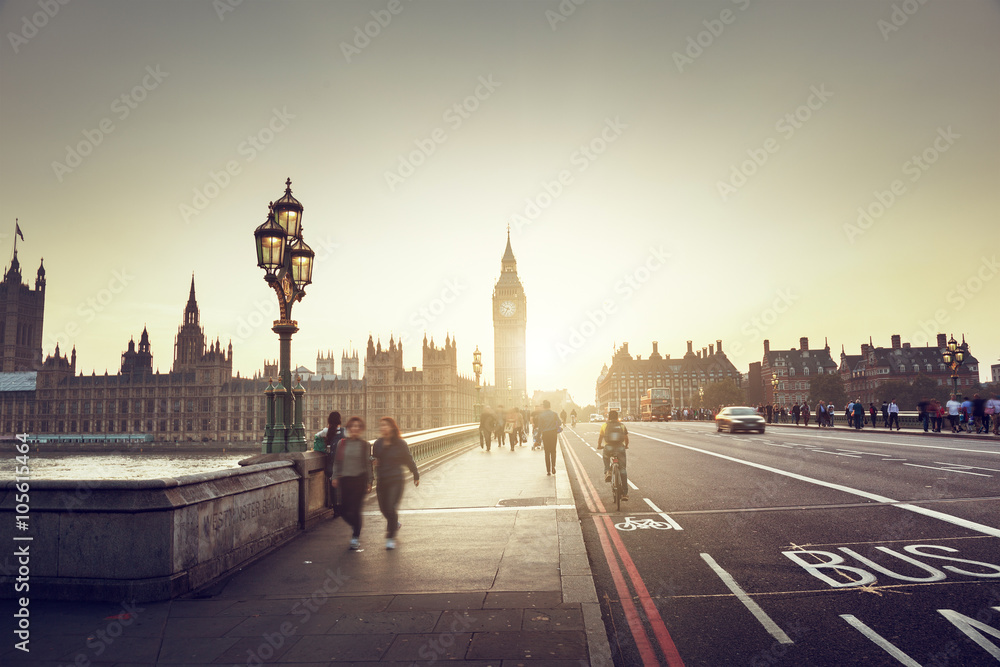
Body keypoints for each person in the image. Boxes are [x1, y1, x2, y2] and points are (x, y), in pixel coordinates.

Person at [372, 417, 419, 550]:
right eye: (381, 425)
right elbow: (373, 457)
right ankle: (394, 523)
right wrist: (373, 460)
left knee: (390, 507)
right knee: (383, 509)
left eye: (386, 425)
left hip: (396, 480)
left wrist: (415, 474)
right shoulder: (377, 443)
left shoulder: (400, 443)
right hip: (382, 480)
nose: (383, 428)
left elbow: (408, 459)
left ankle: (390, 537)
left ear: (392, 427)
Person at [331, 417, 373, 551]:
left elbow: (368, 464)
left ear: (361, 429)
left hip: (359, 480)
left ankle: (355, 537)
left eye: (358, 426)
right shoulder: (342, 443)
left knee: (356, 509)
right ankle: (356, 526)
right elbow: (337, 462)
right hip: (345, 480)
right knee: (343, 510)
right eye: (352, 426)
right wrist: (334, 476)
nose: (355, 428)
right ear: (348, 428)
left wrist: (370, 481)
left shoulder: (365, 445)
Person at [316, 411, 346, 514]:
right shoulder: (344, 431)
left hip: (331, 464)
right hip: (343, 464)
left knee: (333, 487)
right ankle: (343, 508)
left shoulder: (326, 431)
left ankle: (336, 509)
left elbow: (316, 436)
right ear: (340, 420)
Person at [598, 410, 629, 501]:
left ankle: (607, 470)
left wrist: (599, 445)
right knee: (622, 469)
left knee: (606, 457)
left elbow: (600, 437)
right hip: (620, 447)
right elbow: (626, 438)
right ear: (617, 417)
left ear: (608, 417)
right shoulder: (622, 426)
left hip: (608, 447)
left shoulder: (604, 425)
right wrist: (626, 445)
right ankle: (624, 494)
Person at [536, 400, 561, 475]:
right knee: (553, 451)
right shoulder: (554, 414)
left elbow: (540, 428)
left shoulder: (541, 415)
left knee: (547, 452)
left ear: (544, 406)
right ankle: (553, 466)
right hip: (553, 433)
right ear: (549, 406)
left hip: (545, 434)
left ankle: (548, 471)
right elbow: (559, 423)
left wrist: (537, 438)